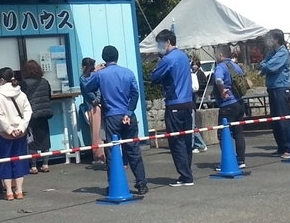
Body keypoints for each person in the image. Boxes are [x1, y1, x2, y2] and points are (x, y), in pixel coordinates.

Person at [81, 45, 147, 194]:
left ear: (104, 58)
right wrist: (129, 112)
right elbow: (135, 94)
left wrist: (94, 71)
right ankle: (141, 183)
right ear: (117, 57)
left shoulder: (100, 75)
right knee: (133, 149)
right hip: (128, 115)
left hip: (111, 116)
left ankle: (114, 184)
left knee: (112, 151)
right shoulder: (128, 73)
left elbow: (87, 86)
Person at [149, 29, 196, 186]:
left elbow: (154, 77)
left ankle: (185, 176)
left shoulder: (168, 59)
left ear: (167, 42)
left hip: (174, 103)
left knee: (176, 141)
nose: (159, 47)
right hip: (188, 102)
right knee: (187, 138)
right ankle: (187, 172)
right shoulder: (183, 56)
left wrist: (158, 64)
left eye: (160, 44)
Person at [0, 67, 32, 200]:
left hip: (3, 133)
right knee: (19, 160)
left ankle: (8, 192)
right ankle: (19, 190)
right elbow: (28, 111)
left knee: (4, 162)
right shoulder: (21, 94)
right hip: (20, 132)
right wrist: (21, 127)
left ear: (0, 79)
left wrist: (9, 129)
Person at [259, 29, 290, 159]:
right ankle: (280, 147)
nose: (268, 40)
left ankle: (288, 147)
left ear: (276, 39)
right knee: (275, 119)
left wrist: (268, 67)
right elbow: (263, 65)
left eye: (270, 38)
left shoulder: (283, 52)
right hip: (272, 87)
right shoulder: (272, 52)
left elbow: (269, 66)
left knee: (282, 118)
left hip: (281, 88)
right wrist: (267, 67)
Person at [212, 45, 248, 169]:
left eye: (216, 54)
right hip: (239, 102)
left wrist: (222, 90)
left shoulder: (221, 67)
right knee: (238, 133)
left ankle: (228, 160)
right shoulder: (236, 66)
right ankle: (240, 160)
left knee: (223, 134)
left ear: (221, 55)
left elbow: (218, 79)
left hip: (227, 104)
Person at [20, 59, 54, 174]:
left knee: (32, 141)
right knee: (45, 139)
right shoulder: (44, 82)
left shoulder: (23, 83)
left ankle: (33, 166)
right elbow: (49, 96)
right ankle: (45, 164)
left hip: (31, 115)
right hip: (44, 114)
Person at [80, 57, 105, 164]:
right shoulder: (97, 74)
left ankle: (99, 156)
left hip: (93, 106)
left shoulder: (83, 78)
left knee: (96, 132)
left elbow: (87, 88)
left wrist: (96, 100)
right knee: (102, 131)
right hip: (101, 105)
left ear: (84, 67)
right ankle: (104, 155)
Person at [189, 58, 209, 153]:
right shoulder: (191, 74)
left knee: (192, 126)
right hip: (190, 103)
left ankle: (193, 145)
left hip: (192, 101)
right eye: (193, 64)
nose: (194, 66)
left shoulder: (195, 75)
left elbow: (197, 87)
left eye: (195, 64)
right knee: (192, 126)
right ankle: (200, 144)